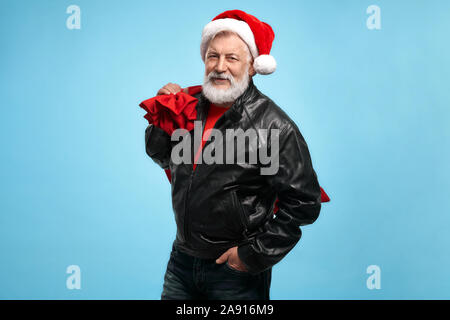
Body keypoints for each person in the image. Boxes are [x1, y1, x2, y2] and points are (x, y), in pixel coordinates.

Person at [145, 10, 322, 300]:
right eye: (213, 56)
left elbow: (304, 203)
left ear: (252, 66)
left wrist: (252, 256)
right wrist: (164, 112)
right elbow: (160, 155)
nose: (219, 66)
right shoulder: (188, 107)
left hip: (234, 271)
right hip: (182, 261)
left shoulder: (273, 125)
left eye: (232, 58)